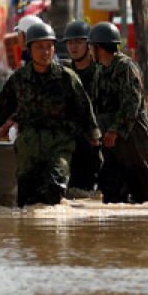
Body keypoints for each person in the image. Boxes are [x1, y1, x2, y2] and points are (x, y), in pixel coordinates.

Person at [0, 21, 100, 207]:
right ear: (29, 50)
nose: (46, 52)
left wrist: (94, 139)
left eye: (49, 47)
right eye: (40, 47)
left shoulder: (67, 78)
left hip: (59, 142)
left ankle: (54, 231)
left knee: (55, 185)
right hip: (29, 145)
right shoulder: (19, 79)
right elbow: (0, 109)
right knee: (27, 197)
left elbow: (84, 109)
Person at [90, 22, 148, 204]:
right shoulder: (100, 70)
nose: (89, 51)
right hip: (111, 138)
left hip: (133, 135)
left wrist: (116, 130)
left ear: (99, 48)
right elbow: (97, 104)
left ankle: (144, 228)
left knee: (143, 191)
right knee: (111, 188)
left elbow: (132, 102)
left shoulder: (126, 67)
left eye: (91, 47)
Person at [62, 19, 100, 194]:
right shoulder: (64, 73)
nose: (73, 47)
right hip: (70, 138)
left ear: (88, 44)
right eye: (70, 42)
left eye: (78, 42)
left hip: (98, 137)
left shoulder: (101, 71)